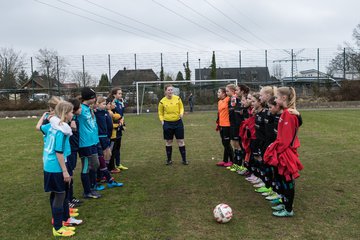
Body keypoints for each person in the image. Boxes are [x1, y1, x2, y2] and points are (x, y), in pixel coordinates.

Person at [264, 87, 304, 217]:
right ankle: (284, 202)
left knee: (287, 180)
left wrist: (276, 151)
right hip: (282, 151)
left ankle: (288, 209)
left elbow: (285, 140)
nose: (275, 100)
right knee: (281, 179)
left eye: (276, 97)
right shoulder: (287, 113)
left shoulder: (289, 114)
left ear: (284, 98)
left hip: (285, 153)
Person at [41, 101, 76, 237]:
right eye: (71, 112)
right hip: (55, 166)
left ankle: (58, 221)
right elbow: (58, 152)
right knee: (60, 195)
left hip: (48, 165)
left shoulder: (52, 125)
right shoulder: (62, 130)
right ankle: (57, 227)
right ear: (65, 114)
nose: (72, 114)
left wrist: (48, 118)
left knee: (55, 193)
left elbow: (41, 128)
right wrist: (65, 171)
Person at [78, 87, 101, 199]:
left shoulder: (88, 108)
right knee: (86, 167)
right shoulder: (80, 110)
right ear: (90, 98)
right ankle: (87, 191)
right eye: (94, 96)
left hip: (93, 142)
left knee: (95, 164)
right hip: (85, 143)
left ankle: (93, 186)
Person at [158, 84, 188, 165]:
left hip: (178, 122)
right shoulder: (162, 101)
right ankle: (169, 160)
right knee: (169, 141)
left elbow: (181, 107)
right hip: (167, 123)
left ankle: (184, 160)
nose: (170, 91)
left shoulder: (177, 98)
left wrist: (181, 113)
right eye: (169, 90)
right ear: (165, 91)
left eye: (171, 90)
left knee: (181, 141)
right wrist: (162, 121)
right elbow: (160, 113)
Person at [109, 88, 128, 170]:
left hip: (119, 127)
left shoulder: (120, 103)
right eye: (119, 93)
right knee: (113, 148)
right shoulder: (112, 104)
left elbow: (122, 114)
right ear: (114, 94)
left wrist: (123, 123)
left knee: (118, 147)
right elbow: (112, 115)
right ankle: (111, 166)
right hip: (114, 129)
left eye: (121, 93)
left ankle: (118, 164)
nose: (121, 95)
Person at [215, 88, 233, 166]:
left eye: (219, 92)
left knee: (226, 143)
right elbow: (219, 114)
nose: (217, 93)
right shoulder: (219, 102)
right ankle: (225, 160)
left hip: (227, 125)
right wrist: (218, 123)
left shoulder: (228, 99)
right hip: (221, 125)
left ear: (224, 93)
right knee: (224, 143)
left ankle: (232, 160)